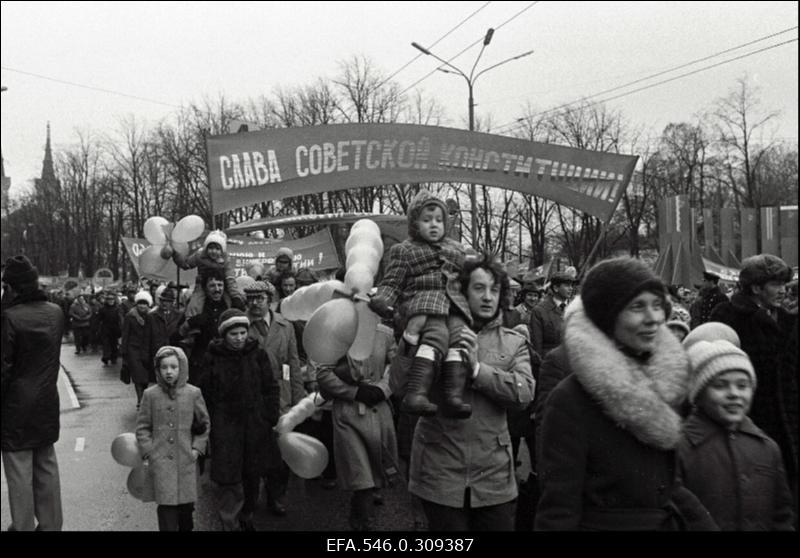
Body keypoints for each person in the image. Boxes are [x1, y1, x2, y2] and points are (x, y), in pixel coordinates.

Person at [535, 257, 705, 531]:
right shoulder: (570, 401)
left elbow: (668, 488)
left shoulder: (665, 387)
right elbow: (558, 510)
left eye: (657, 305)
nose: (654, 318)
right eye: (637, 306)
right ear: (608, 317)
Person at [392, 253, 535, 531]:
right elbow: (398, 386)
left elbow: (524, 394)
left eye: (494, 290)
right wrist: (410, 338)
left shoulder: (513, 342)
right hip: (439, 472)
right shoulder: (434, 334)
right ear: (461, 292)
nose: (487, 297)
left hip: (493, 476)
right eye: (479, 288)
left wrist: (477, 370)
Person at [369, 189, 474, 419]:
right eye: (426, 220)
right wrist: (383, 299)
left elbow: (468, 280)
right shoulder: (404, 250)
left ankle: (454, 396)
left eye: (438, 220)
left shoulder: (457, 250)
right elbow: (392, 282)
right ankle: (417, 392)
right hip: (426, 302)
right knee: (437, 336)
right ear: (415, 224)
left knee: (459, 339)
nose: (434, 225)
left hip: (455, 304)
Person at [709, 254, 798, 507]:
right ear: (756, 287)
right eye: (776, 285)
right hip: (750, 419)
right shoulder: (728, 315)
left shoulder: (785, 316)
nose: (782, 291)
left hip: (788, 422)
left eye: (784, 284)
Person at [678, 340, 794, 530]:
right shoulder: (680, 448)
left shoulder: (767, 448)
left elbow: (782, 516)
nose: (734, 394)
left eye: (742, 386)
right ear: (698, 394)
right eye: (720, 385)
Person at [198, 309, 279, 531]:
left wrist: (269, 415)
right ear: (224, 335)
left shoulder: (257, 354)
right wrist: (211, 422)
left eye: (243, 332)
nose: (240, 338)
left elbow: (270, 387)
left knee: (252, 473)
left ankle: (247, 513)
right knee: (228, 476)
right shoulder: (213, 357)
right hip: (226, 425)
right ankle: (229, 520)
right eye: (234, 334)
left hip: (255, 423)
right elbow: (205, 393)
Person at [1, 255, 65, 531]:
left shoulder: (8, 318)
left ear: (13, 288)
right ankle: (51, 524)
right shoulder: (55, 312)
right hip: (46, 402)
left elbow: (2, 370)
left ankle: (24, 526)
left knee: (19, 474)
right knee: (46, 467)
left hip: (14, 408)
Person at [317, 320, 399, 531]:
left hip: (379, 410)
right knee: (361, 478)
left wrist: (383, 389)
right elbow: (323, 373)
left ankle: (361, 508)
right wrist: (354, 392)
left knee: (376, 474)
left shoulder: (385, 333)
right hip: (349, 414)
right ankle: (363, 523)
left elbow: (397, 366)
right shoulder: (337, 333)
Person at [244, 280, 304, 517]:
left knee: (282, 450)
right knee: (254, 451)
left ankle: (276, 496)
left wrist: (298, 399)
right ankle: (250, 498)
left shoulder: (285, 326)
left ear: (270, 300)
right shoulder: (241, 325)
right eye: (251, 298)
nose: (255, 303)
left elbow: (293, 362)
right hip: (253, 397)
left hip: (282, 396)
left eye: (260, 298)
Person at [136, 346, 210, 531]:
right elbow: (143, 427)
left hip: (186, 459)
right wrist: (149, 451)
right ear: (158, 369)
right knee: (166, 507)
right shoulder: (150, 395)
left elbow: (204, 424)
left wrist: (196, 449)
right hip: (161, 461)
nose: (169, 372)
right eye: (164, 367)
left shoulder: (193, 393)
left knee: (186, 509)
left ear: (182, 368)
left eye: (174, 367)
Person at [170, 229, 245, 318]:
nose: (214, 251)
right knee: (195, 304)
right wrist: (175, 254)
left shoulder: (225, 261)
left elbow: (230, 279)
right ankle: (191, 321)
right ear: (206, 248)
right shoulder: (199, 256)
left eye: (217, 249)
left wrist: (235, 296)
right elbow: (186, 264)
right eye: (211, 248)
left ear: (222, 251)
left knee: (228, 302)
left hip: (220, 285)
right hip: (202, 285)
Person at [179, 271, 230, 385]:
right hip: (200, 365)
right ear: (206, 289)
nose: (217, 289)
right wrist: (192, 322)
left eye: (220, 285)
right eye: (212, 285)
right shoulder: (196, 308)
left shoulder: (229, 307)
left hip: (225, 363)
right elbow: (177, 335)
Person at [528, 270, 575, 357]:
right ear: (556, 288)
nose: (571, 288)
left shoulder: (574, 308)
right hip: (551, 362)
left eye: (571, 285)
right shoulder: (539, 311)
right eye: (567, 285)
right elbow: (537, 346)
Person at [121, 291, 154, 410]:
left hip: (147, 349)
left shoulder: (152, 316)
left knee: (146, 377)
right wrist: (124, 351)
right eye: (140, 303)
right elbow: (125, 334)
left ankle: (144, 398)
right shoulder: (130, 316)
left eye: (144, 304)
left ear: (148, 304)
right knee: (137, 376)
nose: (142, 306)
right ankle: (140, 400)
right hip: (133, 349)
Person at [147, 287, 184, 364]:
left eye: (168, 301)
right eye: (162, 300)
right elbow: (146, 338)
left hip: (173, 353)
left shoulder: (179, 316)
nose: (164, 303)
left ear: (172, 302)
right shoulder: (152, 316)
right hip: (156, 353)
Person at [97, 290, 123, 365]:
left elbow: (120, 319)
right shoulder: (103, 309)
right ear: (107, 301)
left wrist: (120, 328)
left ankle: (113, 358)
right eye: (109, 300)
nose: (111, 301)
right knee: (106, 344)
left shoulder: (117, 309)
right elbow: (99, 319)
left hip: (115, 329)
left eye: (112, 300)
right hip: (105, 329)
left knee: (114, 344)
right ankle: (106, 357)